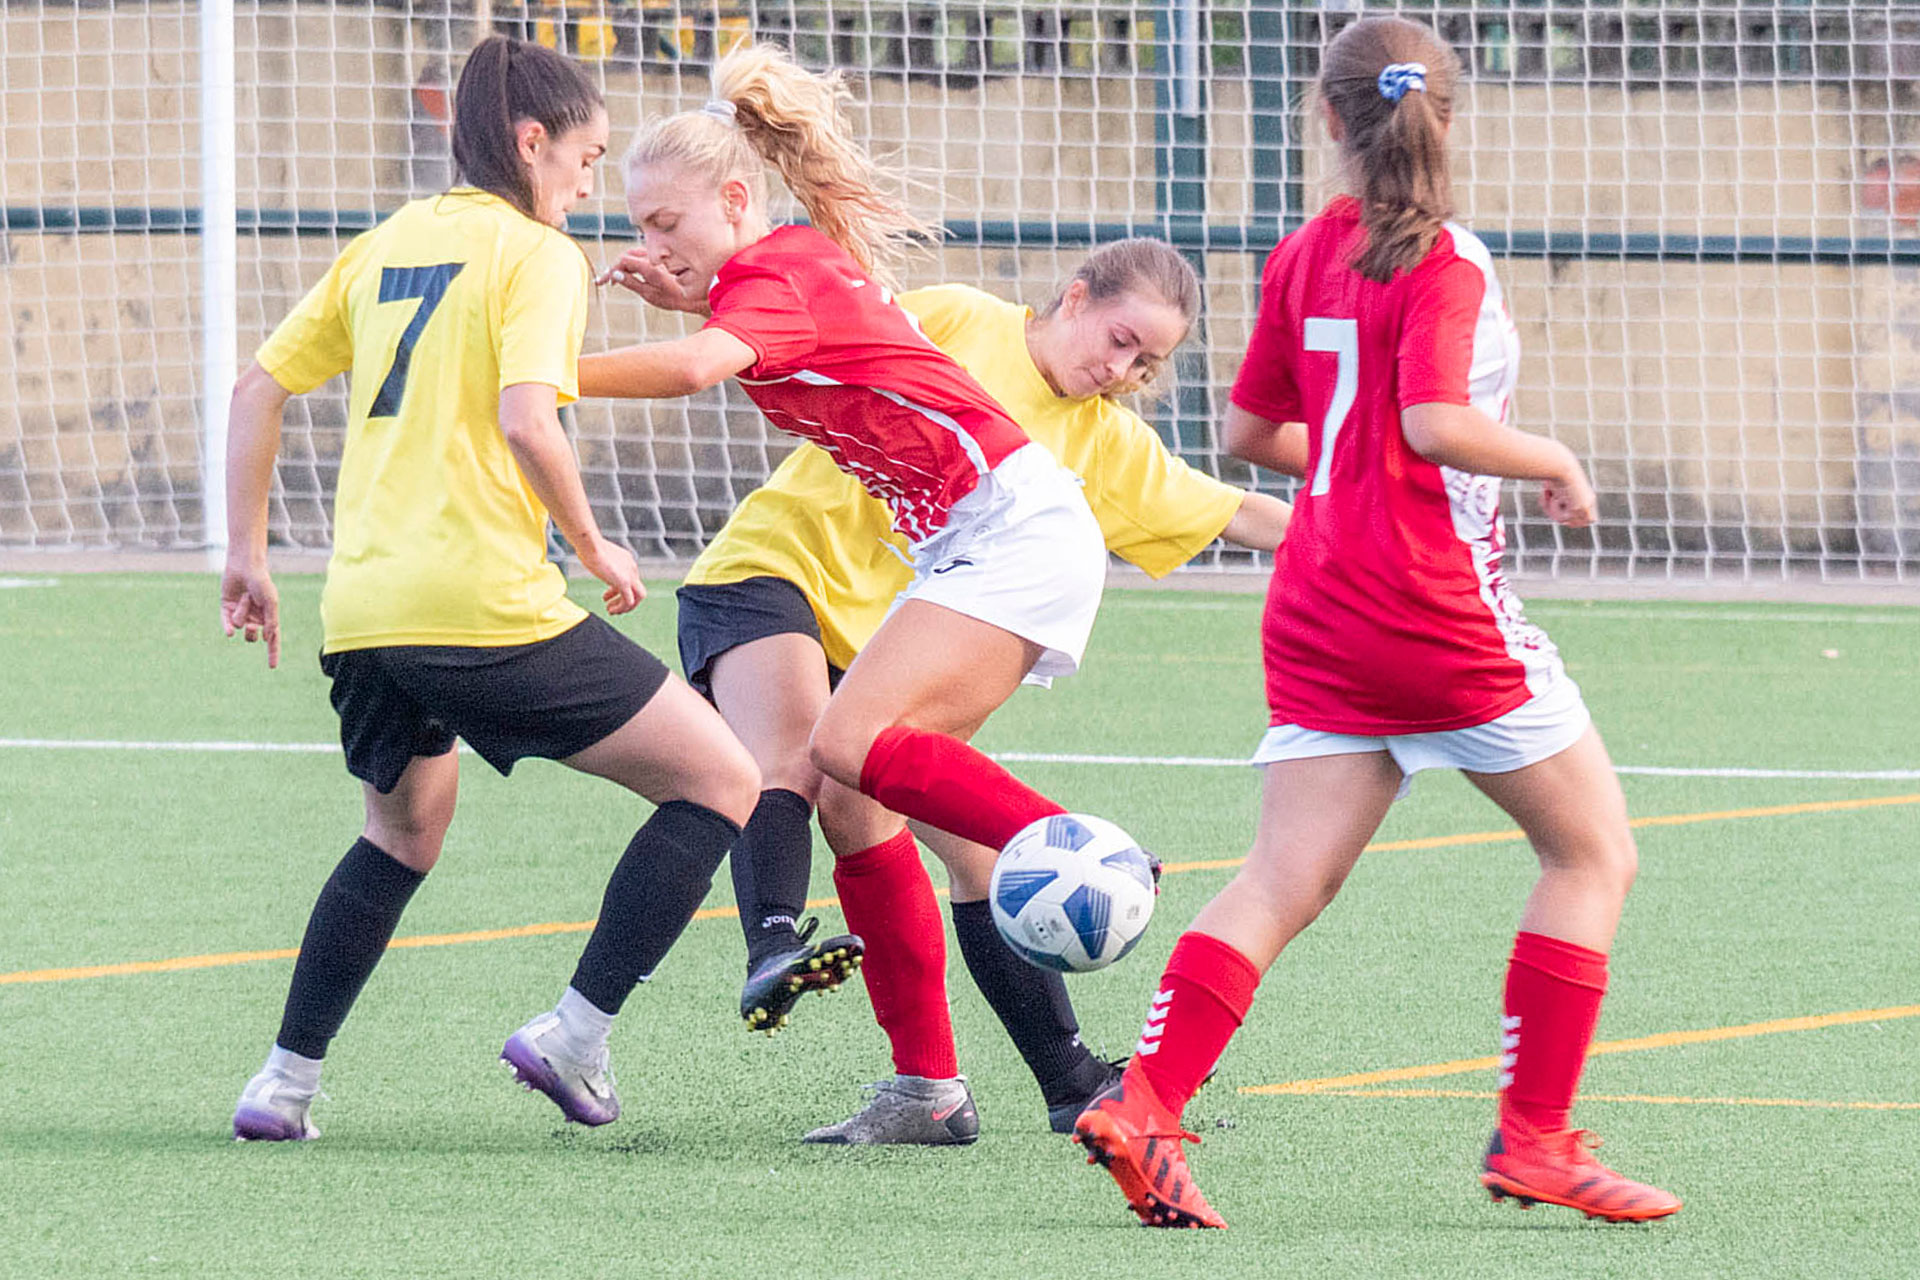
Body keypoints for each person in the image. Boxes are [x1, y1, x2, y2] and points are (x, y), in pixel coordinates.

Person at [1071, 16, 1682, 1228]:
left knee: (1281, 876)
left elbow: (1250, 435)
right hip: (1431, 605)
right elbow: (1433, 423)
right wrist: (1554, 454)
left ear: (1325, 116)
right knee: (1592, 852)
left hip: (1316, 602)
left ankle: (1142, 1100)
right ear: (1446, 116)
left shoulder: (1304, 253)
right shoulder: (1446, 260)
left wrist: (1349, 461)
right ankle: (1537, 1139)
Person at [576, 41, 1141, 1143]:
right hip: (977, 542)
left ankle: (1076, 850)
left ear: (735, 200)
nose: (650, 245)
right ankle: (934, 1087)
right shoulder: (769, 272)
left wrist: (534, 369)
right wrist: (679, 292)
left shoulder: (771, 271)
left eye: (666, 224)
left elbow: (698, 371)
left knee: (844, 740)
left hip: (1011, 530)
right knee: (858, 796)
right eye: (639, 227)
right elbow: (738, 347)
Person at [220, 35, 760, 1142]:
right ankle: (575, 1030)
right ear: (531, 142)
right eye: (587, 157)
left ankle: (282, 1082)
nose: (589, 183)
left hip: (366, 612)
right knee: (722, 777)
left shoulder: (386, 244)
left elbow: (256, 387)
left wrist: (248, 554)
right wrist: (594, 542)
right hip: (485, 606)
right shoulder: (537, 254)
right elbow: (527, 418)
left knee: (401, 833)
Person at [632, 238, 1289, 1144]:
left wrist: (1355, 543)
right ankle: (789, 961)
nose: (1121, 367)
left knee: (916, 835)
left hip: (892, 643)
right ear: (1074, 295)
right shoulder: (954, 318)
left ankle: (1003, 1088)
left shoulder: (1104, 443)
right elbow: (807, 329)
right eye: (1120, 337)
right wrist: (698, 301)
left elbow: (1233, 510)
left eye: (1146, 360)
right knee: (803, 763)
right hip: (779, 569)